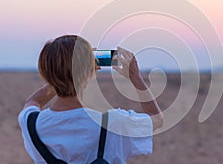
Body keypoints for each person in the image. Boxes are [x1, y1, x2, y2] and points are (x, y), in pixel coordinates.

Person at [18, 35, 164, 164]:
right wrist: (136, 78)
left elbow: (33, 102)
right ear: (90, 72)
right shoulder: (113, 123)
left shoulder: (31, 123)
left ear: (45, 72)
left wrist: (59, 74)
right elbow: (157, 119)